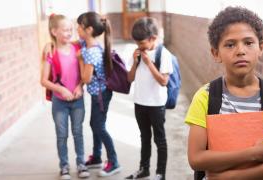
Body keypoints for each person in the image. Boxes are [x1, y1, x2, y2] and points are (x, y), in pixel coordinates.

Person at [185, 6, 263, 180]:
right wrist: (251, 154)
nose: (240, 51)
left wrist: (230, 178)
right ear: (215, 53)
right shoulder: (205, 97)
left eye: (248, 43)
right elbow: (196, 159)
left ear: (261, 47)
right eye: (230, 44)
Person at [40, 14, 89, 180]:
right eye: (65, 30)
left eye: (71, 30)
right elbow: (44, 81)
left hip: (77, 100)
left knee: (78, 132)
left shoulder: (77, 49)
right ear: (54, 31)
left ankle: (81, 163)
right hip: (59, 103)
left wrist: (79, 87)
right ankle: (64, 166)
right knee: (62, 135)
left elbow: (83, 75)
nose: (69, 33)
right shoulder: (50, 52)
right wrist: (61, 90)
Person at [125, 17, 173, 180]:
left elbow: (163, 81)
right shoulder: (138, 53)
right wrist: (135, 62)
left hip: (156, 104)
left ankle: (160, 173)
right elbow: (130, 78)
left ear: (153, 38)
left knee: (160, 139)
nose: (139, 46)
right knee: (144, 137)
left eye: (142, 43)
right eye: (137, 43)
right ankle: (143, 169)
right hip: (140, 102)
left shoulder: (163, 54)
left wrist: (148, 62)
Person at [76, 12, 121, 177]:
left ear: (88, 30)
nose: (76, 30)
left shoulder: (91, 52)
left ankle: (114, 161)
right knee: (94, 124)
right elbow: (77, 42)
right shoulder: (90, 44)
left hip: (100, 95)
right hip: (100, 93)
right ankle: (96, 157)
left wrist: (80, 59)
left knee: (99, 127)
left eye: (78, 27)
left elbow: (86, 79)